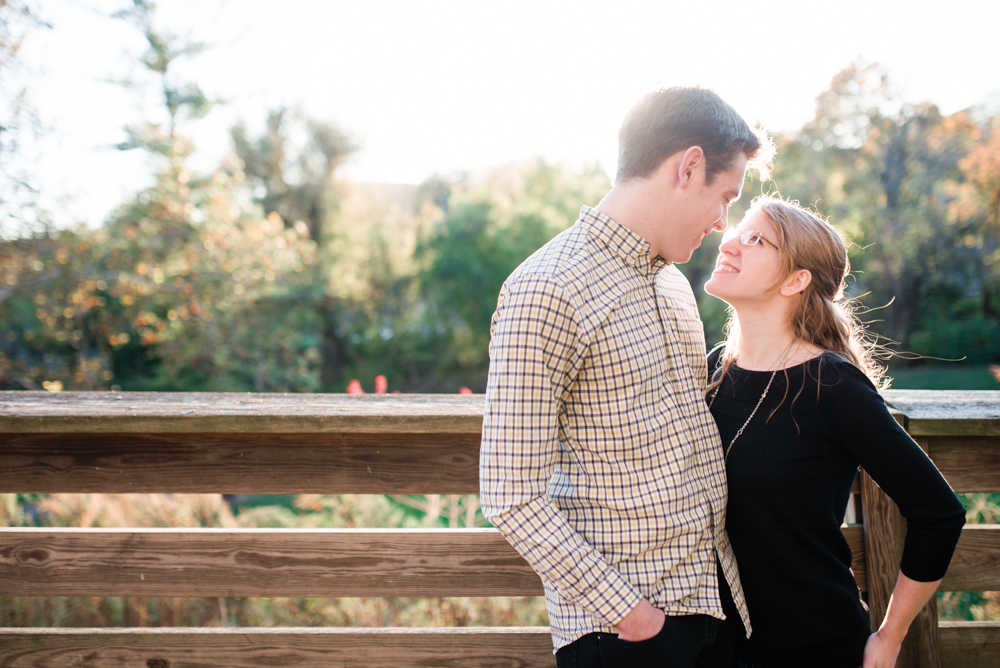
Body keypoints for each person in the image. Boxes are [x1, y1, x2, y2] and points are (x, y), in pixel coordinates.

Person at [480, 86, 773, 667]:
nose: (723, 223)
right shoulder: (546, 288)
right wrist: (637, 619)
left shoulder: (673, 283)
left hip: (716, 607)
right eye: (724, 197)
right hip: (627, 638)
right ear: (688, 167)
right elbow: (511, 494)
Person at [703, 194, 966, 668]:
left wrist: (887, 640)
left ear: (796, 280)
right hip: (717, 648)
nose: (731, 244)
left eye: (756, 239)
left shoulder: (831, 384)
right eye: (737, 230)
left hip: (814, 646)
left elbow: (940, 513)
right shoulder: (714, 373)